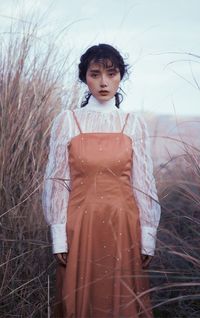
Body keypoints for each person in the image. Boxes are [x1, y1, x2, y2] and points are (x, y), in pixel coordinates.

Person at [42, 43, 161, 318]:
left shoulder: (133, 123)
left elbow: (143, 183)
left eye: (112, 73)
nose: (104, 82)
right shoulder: (67, 121)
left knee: (124, 301)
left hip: (124, 226)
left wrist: (148, 236)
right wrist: (59, 236)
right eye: (95, 74)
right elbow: (57, 181)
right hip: (80, 225)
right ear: (85, 77)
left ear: (121, 76)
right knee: (78, 301)